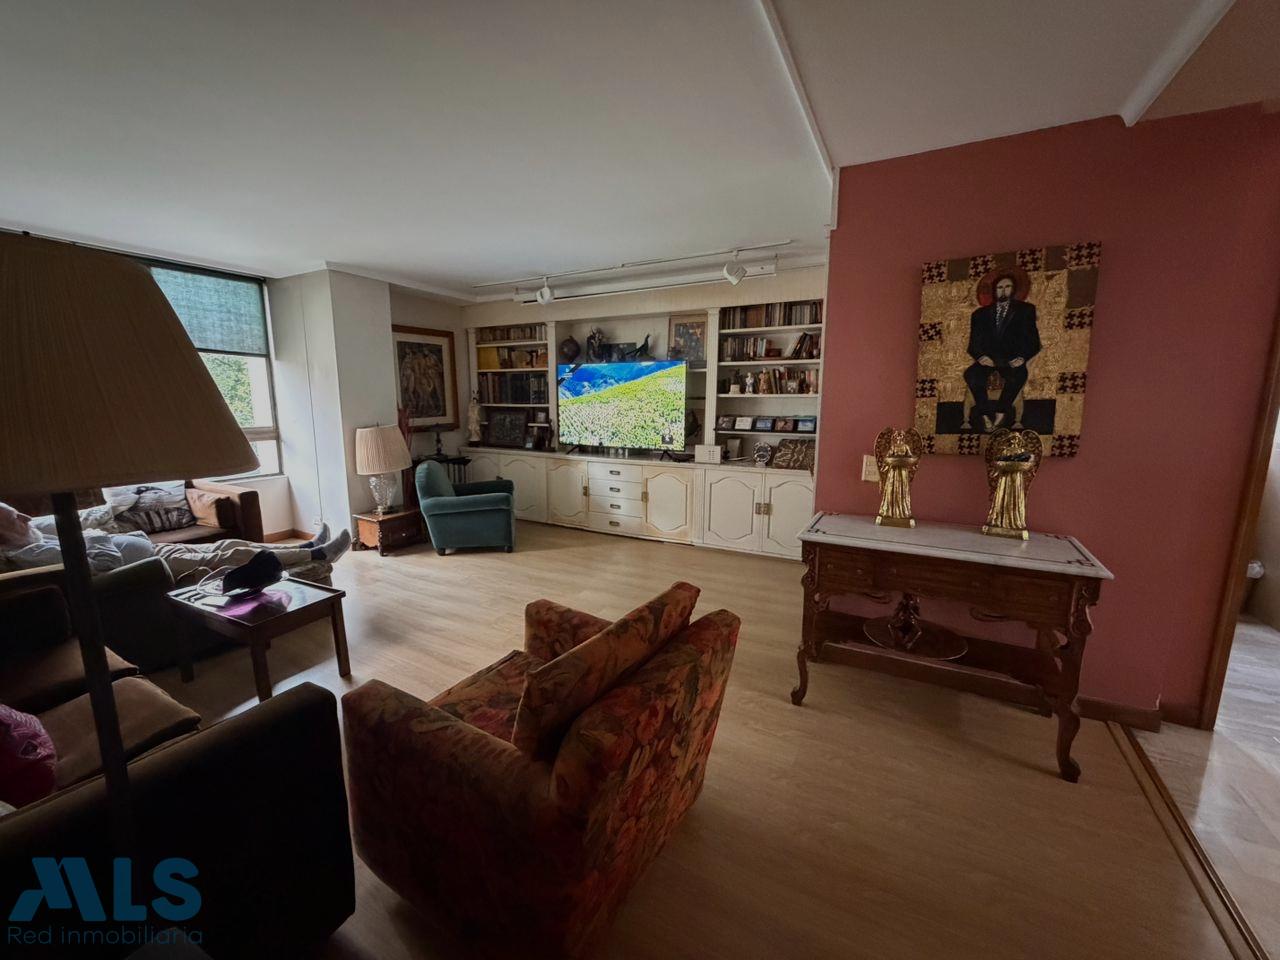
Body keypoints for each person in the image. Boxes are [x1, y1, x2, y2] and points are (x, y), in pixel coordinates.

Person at [0, 502, 350, 586]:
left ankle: (308, 547)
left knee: (228, 542)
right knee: (232, 555)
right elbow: (103, 563)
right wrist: (92, 535)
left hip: (151, 549)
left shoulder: (32, 537)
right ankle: (318, 553)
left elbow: (48, 524)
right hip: (148, 567)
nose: (27, 518)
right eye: (16, 517)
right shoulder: (33, 553)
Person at [962, 273, 1041, 432]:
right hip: (988, 360)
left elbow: (1033, 342)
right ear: (994, 290)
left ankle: (1001, 412)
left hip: (1011, 360)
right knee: (971, 374)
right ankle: (984, 414)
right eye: (999, 287)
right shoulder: (980, 314)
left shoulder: (1025, 310)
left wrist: (1022, 358)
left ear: (1014, 289)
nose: (1003, 291)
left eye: (1007, 287)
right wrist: (981, 357)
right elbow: (973, 344)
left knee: (1018, 376)